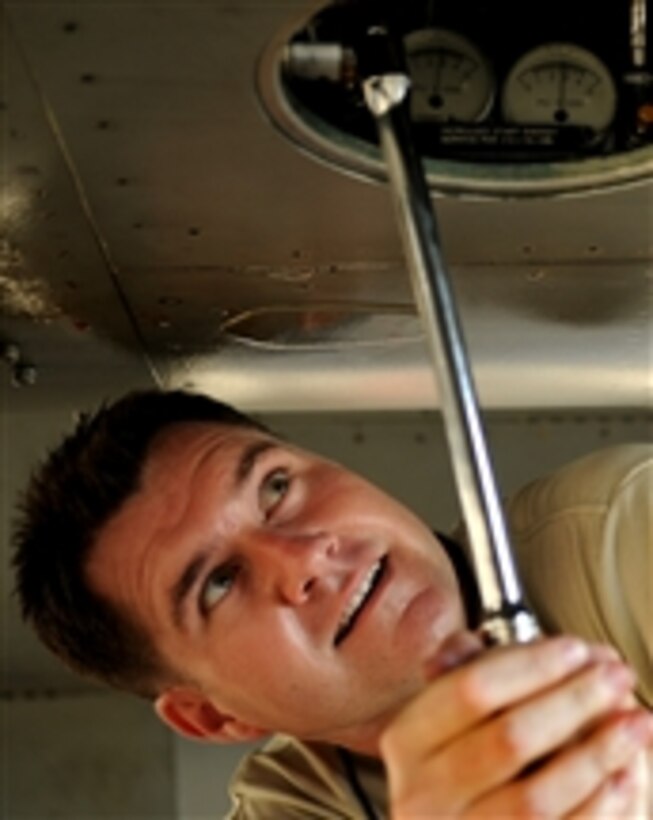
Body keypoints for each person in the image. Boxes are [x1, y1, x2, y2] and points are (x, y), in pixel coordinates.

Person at [12, 389, 652, 818]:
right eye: (219, 582)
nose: (304, 558)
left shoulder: (625, 530)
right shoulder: (288, 806)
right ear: (214, 718)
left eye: (278, 488)